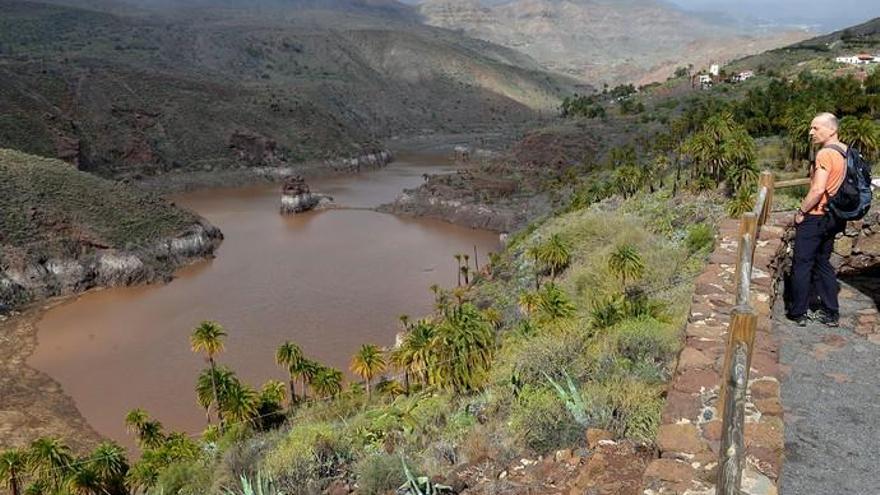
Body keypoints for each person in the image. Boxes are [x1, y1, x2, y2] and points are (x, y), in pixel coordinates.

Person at [787, 112, 848, 327]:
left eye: (816, 128)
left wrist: (801, 211)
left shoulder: (824, 154)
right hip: (835, 216)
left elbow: (818, 189)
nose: (811, 132)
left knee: (802, 263)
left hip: (816, 217)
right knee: (823, 262)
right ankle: (831, 312)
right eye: (811, 128)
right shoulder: (846, 151)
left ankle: (798, 312)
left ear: (832, 129)